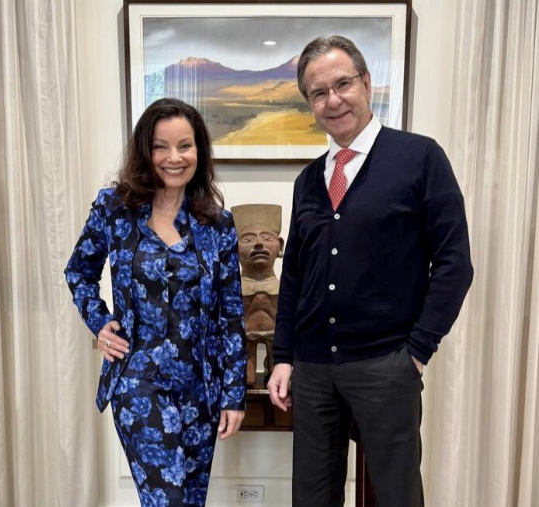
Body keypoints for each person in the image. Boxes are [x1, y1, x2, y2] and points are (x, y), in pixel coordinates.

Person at [267, 36, 473, 507]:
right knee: (312, 498)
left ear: (366, 82)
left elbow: (454, 262)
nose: (333, 100)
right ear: (310, 104)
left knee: (397, 495)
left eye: (342, 84)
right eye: (319, 93)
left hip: (387, 364)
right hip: (313, 368)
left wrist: (417, 351)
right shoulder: (307, 181)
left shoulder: (420, 158)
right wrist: (283, 356)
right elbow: (294, 274)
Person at [65, 98, 247, 507]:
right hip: (139, 382)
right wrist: (100, 323)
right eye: (160, 147)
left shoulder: (217, 224)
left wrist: (233, 393)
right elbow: (78, 271)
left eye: (185, 146)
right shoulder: (114, 209)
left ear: (199, 151)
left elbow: (231, 313)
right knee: (169, 501)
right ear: (144, 152)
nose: (173, 158)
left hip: (201, 389)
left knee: (190, 501)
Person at [231, 204, 284, 386]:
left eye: (267, 238)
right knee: (248, 377)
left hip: (277, 342)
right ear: (234, 247)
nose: (259, 244)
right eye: (248, 239)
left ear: (280, 246)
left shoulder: (284, 290)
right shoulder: (233, 292)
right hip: (245, 341)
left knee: (279, 373)